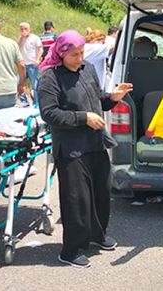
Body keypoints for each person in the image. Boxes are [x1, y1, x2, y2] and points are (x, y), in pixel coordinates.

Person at [38, 30, 133, 268]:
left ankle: (96, 236)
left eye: (81, 53)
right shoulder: (50, 78)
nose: (79, 58)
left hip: (96, 142)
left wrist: (114, 97)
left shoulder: (88, 68)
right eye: (74, 55)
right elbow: (49, 113)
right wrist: (83, 118)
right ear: (61, 54)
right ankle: (70, 250)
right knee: (76, 200)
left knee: (101, 193)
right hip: (71, 149)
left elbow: (97, 98)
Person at [18, 22, 42, 105]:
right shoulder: (21, 39)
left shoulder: (35, 38)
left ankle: (37, 103)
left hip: (32, 64)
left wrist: (37, 59)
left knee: (35, 84)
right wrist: (21, 37)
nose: (24, 31)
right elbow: (17, 47)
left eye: (25, 29)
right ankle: (24, 102)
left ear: (29, 29)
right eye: (22, 29)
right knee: (19, 84)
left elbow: (40, 49)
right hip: (23, 65)